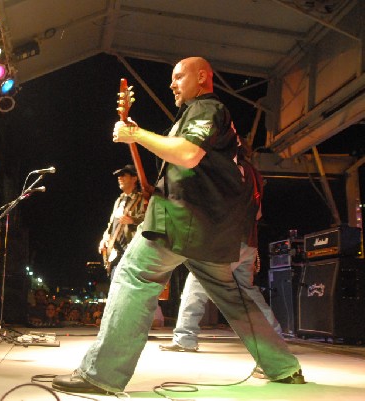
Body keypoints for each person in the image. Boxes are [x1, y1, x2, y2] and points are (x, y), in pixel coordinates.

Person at [52, 56, 304, 394]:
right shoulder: (205, 116)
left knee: (134, 275)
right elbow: (191, 167)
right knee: (234, 296)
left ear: (202, 77)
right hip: (212, 228)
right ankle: (284, 367)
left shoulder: (206, 107)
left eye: (178, 76)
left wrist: (137, 133)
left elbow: (187, 154)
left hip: (182, 220)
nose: (172, 84)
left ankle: (103, 375)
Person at [161, 138, 282, 352]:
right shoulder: (254, 172)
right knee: (247, 291)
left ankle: (185, 338)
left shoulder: (229, 169)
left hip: (227, 241)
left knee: (196, 284)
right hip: (249, 241)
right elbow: (258, 212)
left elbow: (219, 205)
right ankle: (275, 334)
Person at [98, 164, 145, 279]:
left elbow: (150, 219)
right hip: (116, 253)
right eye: (119, 176)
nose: (120, 178)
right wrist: (105, 238)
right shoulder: (119, 200)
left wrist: (132, 220)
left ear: (134, 178)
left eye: (123, 175)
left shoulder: (142, 198)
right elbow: (111, 224)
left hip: (133, 252)